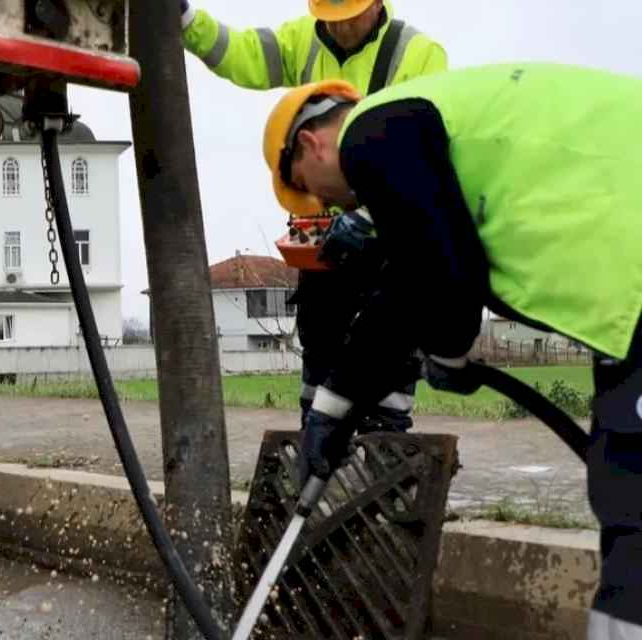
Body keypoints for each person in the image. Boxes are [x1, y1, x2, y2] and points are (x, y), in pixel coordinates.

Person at [261, 61, 642, 637]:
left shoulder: (372, 133)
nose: (328, 208)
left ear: (311, 146)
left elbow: (437, 272)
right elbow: (415, 278)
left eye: (311, 190)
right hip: (624, 281)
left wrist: (449, 346)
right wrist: (335, 408)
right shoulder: (425, 129)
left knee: (633, 508)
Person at [178, 0, 448, 433]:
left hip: (389, 235)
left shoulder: (417, 55)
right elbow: (241, 53)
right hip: (324, 240)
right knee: (321, 351)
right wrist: (187, 20)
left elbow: (425, 156)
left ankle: (381, 450)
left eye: (349, 16)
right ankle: (318, 439)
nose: (339, 28)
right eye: (331, 17)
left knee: (387, 361)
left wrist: (371, 215)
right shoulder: (301, 39)